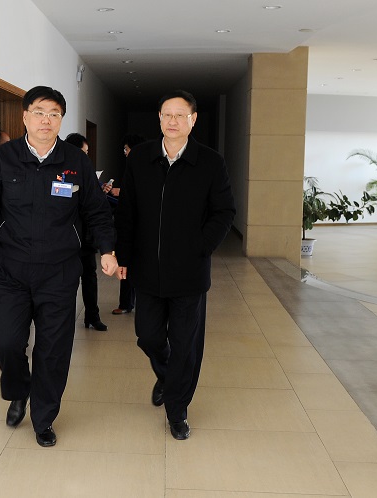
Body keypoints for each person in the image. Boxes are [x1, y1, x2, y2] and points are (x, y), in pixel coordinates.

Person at [0, 86, 118, 447]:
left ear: (61, 119)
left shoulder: (75, 162)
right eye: (38, 112)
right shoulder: (2, 159)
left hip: (59, 271)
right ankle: (19, 390)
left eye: (53, 114)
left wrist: (107, 250)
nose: (45, 120)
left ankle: (44, 418)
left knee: (53, 349)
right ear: (25, 117)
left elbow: (96, 210)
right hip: (10, 270)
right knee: (6, 343)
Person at [114, 90, 235, 440]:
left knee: (185, 345)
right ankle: (168, 376)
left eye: (180, 115)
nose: (173, 121)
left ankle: (177, 409)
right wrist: (123, 256)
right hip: (147, 270)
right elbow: (127, 211)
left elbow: (224, 211)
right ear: (159, 118)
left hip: (189, 274)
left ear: (192, 120)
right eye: (167, 114)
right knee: (148, 336)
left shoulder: (210, 162)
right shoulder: (140, 157)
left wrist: (201, 247)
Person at [65, 132, 108, 332]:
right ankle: (65, 320)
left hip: (86, 236)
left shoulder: (86, 170)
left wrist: (100, 191)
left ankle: (92, 316)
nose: (86, 156)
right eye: (84, 152)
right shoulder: (61, 169)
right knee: (68, 281)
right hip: (67, 237)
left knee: (89, 276)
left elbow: (94, 204)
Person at [104, 133, 145, 315]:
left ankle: (132, 302)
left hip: (140, 225)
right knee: (125, 261)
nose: (125, 152)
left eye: (126, 149)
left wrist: (121, 192)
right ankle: (126, 303)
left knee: (135, 263)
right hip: (128, 224)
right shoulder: (132, 165)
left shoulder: (146, 166)